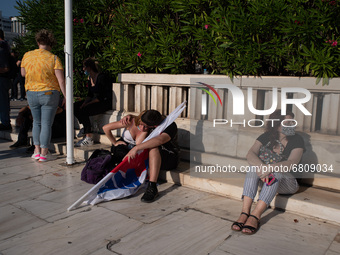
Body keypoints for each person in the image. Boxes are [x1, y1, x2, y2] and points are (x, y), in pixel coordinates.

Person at [231, 109, 305, 235]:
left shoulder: (297, 140)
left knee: (276, 171)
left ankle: (255, 215)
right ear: (276, 125)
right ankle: (245, 212)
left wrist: (269, 168)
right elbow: (250, 154)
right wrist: (261, 167)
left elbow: (292, 162)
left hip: (288, 183)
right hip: (265, 178)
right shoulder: (266, 137)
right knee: (253, 167)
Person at [21, 29, 66, 162]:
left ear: (38, 41)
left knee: (37, 122)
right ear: (51, 43)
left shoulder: (27, 55)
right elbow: (61, 80)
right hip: (49, 93)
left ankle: (36, 151)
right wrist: (66, 96)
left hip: (31, 92)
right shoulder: (53, 58)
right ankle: (44, 153)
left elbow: (23, 73)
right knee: (46, 123)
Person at [123, 110, 180, 203]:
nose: (143, 127)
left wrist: (136, 148)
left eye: (146, 126)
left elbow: (160, 140)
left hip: (170, 157)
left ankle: (152, 187)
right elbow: (141, 117)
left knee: (153, 147)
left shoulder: (170, 125)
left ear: (154, 126)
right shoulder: (152, 117)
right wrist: (130, 116)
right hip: (152, 156)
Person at [74, 58, 112, 147]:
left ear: (89, 67)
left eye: (84, 67)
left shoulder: (101, 77)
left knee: (84, 110)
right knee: (75, 106)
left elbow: (101, 97)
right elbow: (90, 94)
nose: (83, 69)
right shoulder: (90, 78)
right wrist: (84, 103)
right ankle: (85, 127)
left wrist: (86, 104)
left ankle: (88, 137)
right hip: (94, 100)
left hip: (103, 102)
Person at [0, 29, 12, 131]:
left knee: (3, 100)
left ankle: (5, 122)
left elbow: (5, 67)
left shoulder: (2, 48)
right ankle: (4, 121)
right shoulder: (5, 46)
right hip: (4, 79)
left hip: (2, 79)